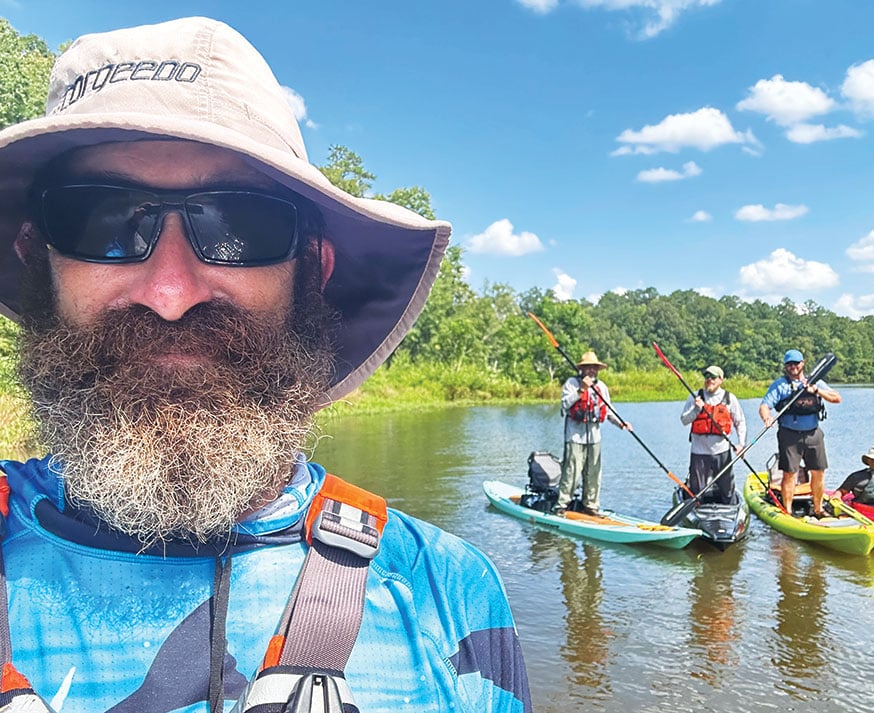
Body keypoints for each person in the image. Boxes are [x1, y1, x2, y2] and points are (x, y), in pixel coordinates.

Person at [0, 17, 530, 713]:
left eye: (238, 227)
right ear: (38, 259)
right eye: (102, 222)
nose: (169, 292)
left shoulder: (446, 593)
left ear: (312, 271)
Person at [758, 349, 841, 518]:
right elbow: (764, 405)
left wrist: (816, 391)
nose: (793, 367)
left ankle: (818, 509)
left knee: (818, 472)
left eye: (796, 363)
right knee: (789, 474)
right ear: (785, 367)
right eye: (789, 364)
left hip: (813, 434)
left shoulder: (816, 382)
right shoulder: (780, 385)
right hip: (789, 435)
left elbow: (836, 398)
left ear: (802, 363)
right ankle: (787, 511)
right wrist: (767, 418)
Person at [556, 350, 631, 517]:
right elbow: (564, 405)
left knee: (594, 473)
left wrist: (621, 423)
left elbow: (609, 410)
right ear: (582, 369)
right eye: (588, 367)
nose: (591, 371)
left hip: (594, 437)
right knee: (572, 472)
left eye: (594, 368)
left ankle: (590, 505)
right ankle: (562, 504)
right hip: (574, 436)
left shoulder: (601, 387)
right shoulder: (571, 383)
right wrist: (581, 390)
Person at [679, 365, 746, 504]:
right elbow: (684, 420)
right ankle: (697, 512)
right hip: (699, 452)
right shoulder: (695, 398)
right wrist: (696, 410)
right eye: (707, 376)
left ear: (721, 379)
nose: (709, 379)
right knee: (697, 491)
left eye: (713, 377)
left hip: (722, 452)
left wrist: (741, 444)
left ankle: (729, 510)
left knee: (727, 490)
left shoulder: (729, 398)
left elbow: (740, 422)